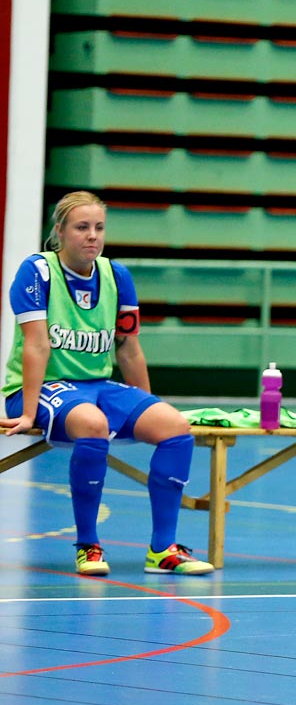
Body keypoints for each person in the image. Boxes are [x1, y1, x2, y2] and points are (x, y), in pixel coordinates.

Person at [0, 192, 213, 576]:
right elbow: (36, 344)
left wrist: (148, 404)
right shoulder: (37, 272)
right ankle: (89, 546)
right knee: (93, 424)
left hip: (97, 386)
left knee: (176, 427)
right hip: (42, 387)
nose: (92, 236)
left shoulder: (117, 276)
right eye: (82, 227)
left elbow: (129, 348)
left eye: (99, 228)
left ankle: (163, 550)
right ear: (60, 231)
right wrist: (27, 411)